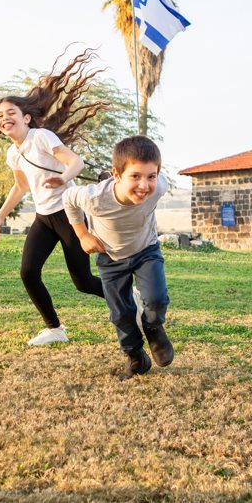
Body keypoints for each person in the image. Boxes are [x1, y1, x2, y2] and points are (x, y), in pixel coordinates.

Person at [0, 51, 108, 346]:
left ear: (26, 117)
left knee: (83, 282)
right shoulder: (13, 153)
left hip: (68, 213)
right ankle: (54, 329)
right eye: (0, 115)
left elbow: (75, 162)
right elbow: (20, 187)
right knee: (28, 272)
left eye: (11, 113)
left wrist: (64, 178)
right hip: (44, 217)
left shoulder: (41, 137)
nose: (4, 118)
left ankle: (128, 294)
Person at [63, 136, 173, 379]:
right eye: (135, 176)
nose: (144, 185)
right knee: (120, 313)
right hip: (110, 257)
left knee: (156, 299)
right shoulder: (95, 198)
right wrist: (83, 235)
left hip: (146, 250)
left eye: (151, 176)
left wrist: (149, 179)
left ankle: (153, 327)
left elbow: (152, 182)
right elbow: (68, 199)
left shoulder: (159, 187)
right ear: (117, 174)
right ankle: (136, 357)